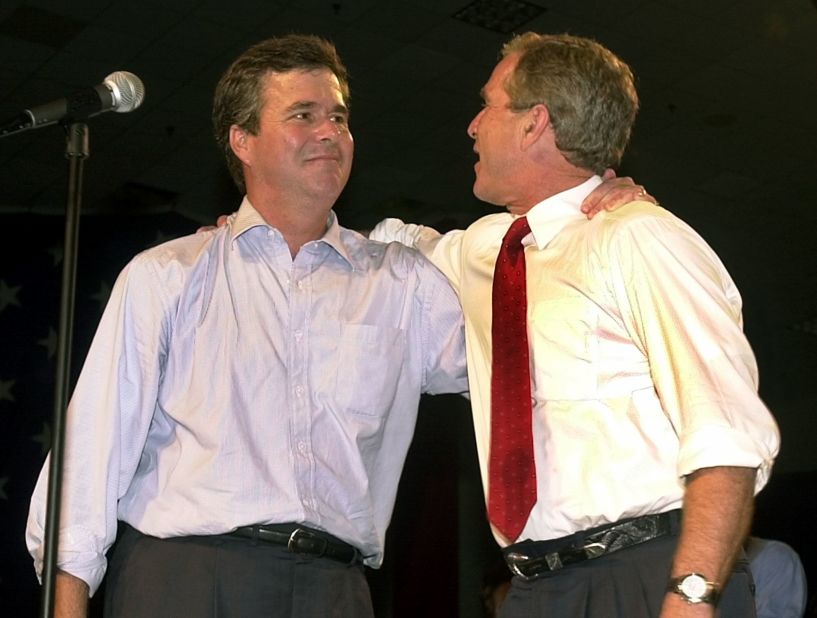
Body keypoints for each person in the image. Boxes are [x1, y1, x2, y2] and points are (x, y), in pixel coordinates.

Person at [26, 34, 474, 617]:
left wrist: (576, 211)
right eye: (302, 115)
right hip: (186, 577)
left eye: (338, 117)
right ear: (243, 140)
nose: (329, 132)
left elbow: (514, 352)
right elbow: (89, 457)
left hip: (335, 588)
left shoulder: (402, 284)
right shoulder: (169, 276)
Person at [370, 32, 781, 617]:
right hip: (536, 587)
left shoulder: (638, 235)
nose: (472, 125)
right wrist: (245, 233)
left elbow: (729, 437)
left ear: (535, 122)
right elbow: (390, 245)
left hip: (652, 569)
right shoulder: (485, 249)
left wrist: (691, 595)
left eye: (488, 103)